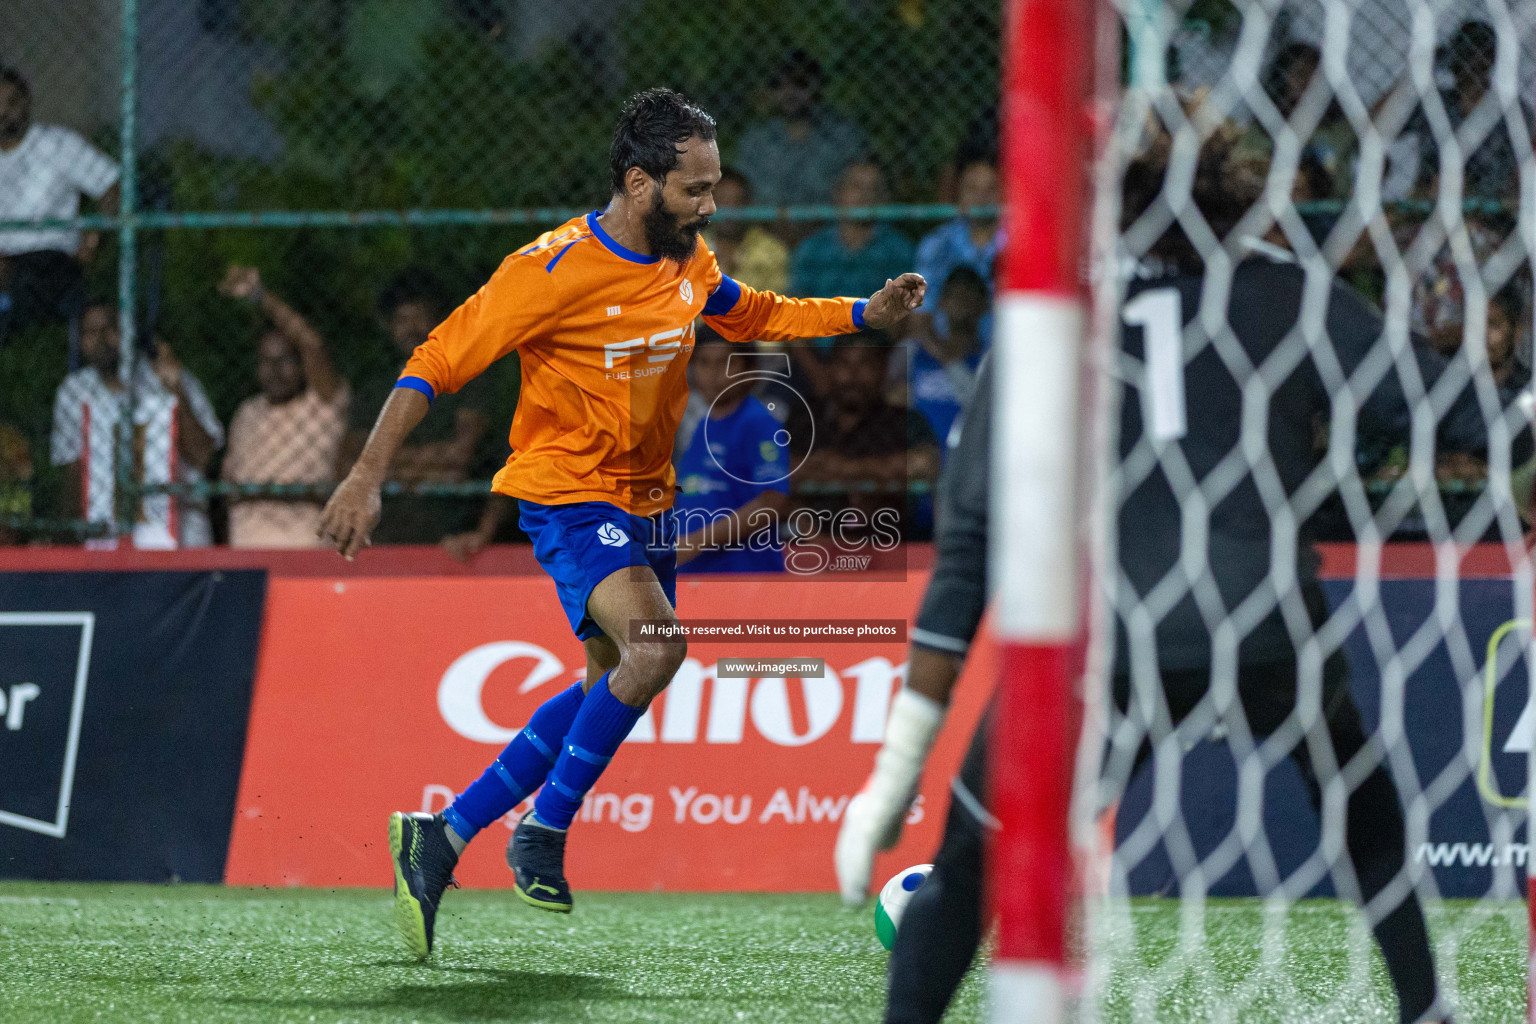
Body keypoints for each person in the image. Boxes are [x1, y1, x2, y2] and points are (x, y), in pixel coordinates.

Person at [838, 115, 1518, 1024]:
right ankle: (1427, 1006)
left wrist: (898, 766)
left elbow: (967, 548)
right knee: (1361, 799)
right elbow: (1455, 412)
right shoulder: (1285, 292)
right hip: (1267, 621)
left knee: (971, 860)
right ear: (1225, 201)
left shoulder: (1050, 320)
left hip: (1106, 642)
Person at [317, 87, 926, 958]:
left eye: (712, 187)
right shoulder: (549, 270)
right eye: (695, 190)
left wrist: (864, 313)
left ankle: (441, 838)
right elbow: (436, 362)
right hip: (568, 493)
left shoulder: (689, 257)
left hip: (647, 503)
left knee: (609, 676)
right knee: (657, 647)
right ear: (641, 183)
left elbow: (751, 314)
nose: (710, 205)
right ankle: (544, 830)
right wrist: (366, 475)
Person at [339, 268, 494, 544]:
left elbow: (459, 456)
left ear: (438, 320)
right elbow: (349, 458)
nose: (411, 328)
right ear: (389, 326)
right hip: (381, 533)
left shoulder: (466, 377)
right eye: (401, 319)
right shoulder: (373, 386)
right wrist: (432, 471)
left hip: (447, 533)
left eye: (419, 317)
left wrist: (383, 467)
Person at [50, 302, 223, 549]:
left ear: (130, 332)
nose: (101, 339)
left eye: (111, 328)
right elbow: (73, 473)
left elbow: (203, 457)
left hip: (182, 540)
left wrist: (176, 392)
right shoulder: (74, 390)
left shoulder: (171, 377)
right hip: (106, 545)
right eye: (90, 332)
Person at [219, 266, 351, 548]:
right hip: (246, 550)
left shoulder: (322, 406)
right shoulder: (247, 413)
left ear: (302, 364)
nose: (275, 371)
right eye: (267, 361)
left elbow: (312, 344)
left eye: (286, 360)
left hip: (306, 551)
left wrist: (260, 296)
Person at [0, 66, 121, 344]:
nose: (4, 112)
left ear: (27, 103)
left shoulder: (58, 144)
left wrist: (95, 237)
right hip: (3, 261)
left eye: (11, 103)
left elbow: (111, 186)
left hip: (48, 259)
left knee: (27, 280)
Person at [782, 338, 939, 544]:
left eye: (865, 364)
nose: (852, 375)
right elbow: (774, 469)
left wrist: (847, 468)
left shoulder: (905, 421)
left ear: (883, 370)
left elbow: (925, 465)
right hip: (807, 547)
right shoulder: (805, 418)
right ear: (830, 368)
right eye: (844, 364)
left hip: (889, 547)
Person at [673, 328, 790, 572]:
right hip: (697, 579)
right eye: (703, 363)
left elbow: (773, 501)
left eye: (727, 363)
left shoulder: (757, 423)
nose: (713, 374)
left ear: (750, 369)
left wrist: (696, 541)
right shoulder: (703, 425)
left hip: (744, 579)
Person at [789, 161, 915, 364]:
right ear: (838, 193)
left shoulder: (899, 249)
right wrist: (819, 375)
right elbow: (794, 318)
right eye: (856, 187)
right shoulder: (812, 248)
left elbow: (902, 319)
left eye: (873, 189)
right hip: (820, 360)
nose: (865, 195)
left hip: (876, 360)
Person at [734, 50, 867, 208]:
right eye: (779, 84)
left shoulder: (843, 136)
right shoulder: (756, 140)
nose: (790, 93)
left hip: (830, 228)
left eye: (800, 83)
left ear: (817, 87)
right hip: (766, 228)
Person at [909, 159, 999, 356]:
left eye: (991, 189)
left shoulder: (1019, 244)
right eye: (972, 188)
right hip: (944, 351)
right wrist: (948, 361)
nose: (981, 197)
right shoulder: (936, 244)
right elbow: (919, 319)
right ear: (958, 193)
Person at [900, 265, 987, 455]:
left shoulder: (989, 362)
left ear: (984, 305)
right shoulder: (913, 352)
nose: (961, 301)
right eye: (954, 294)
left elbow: (982, 412)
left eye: (969, 294)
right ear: (941, 302)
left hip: (968, 469)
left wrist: (947, 359)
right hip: (921, 471)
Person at [701, 167, 788, 295]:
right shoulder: (691, 249)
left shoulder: (772, 251)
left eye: (737, 202)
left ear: (748, 204)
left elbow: (773, 305)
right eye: (722, 202)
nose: (730, 211)